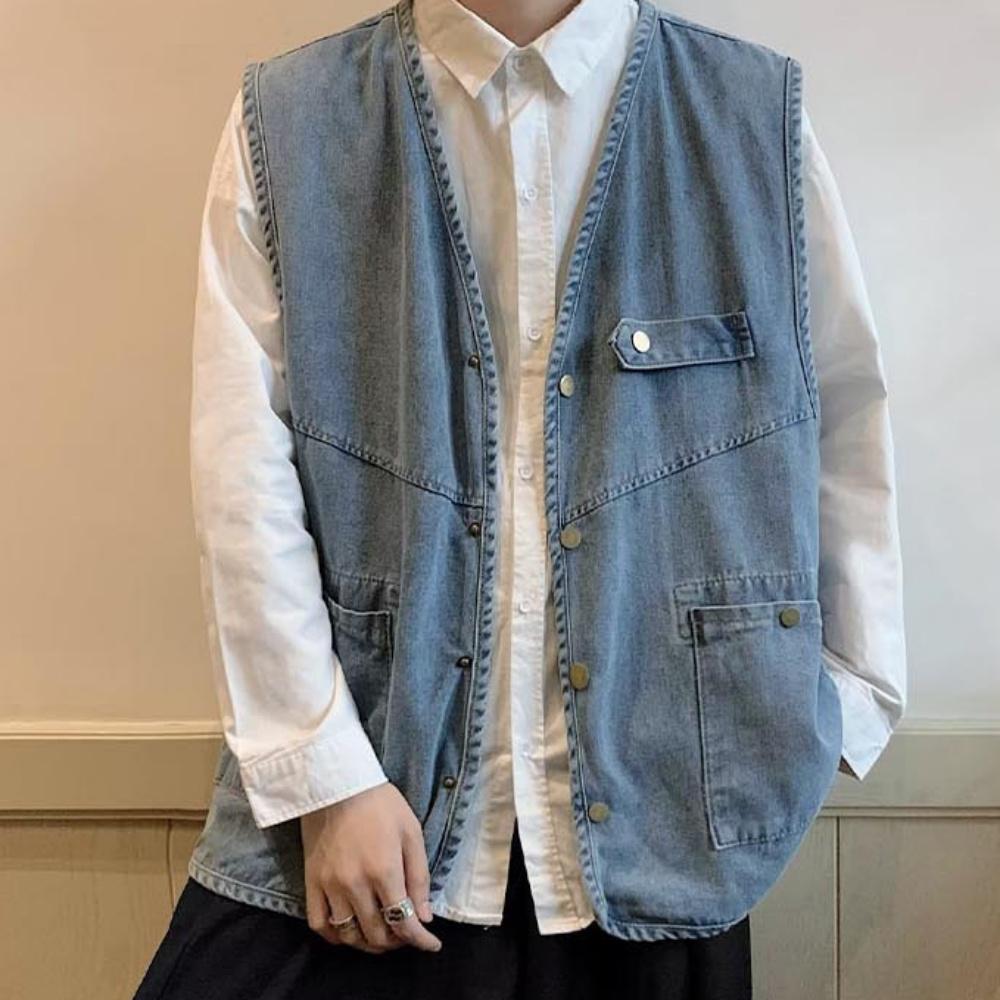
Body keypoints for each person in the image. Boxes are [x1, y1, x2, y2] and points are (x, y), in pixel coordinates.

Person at [133, 0, 907, 996]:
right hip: (371, 821)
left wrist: (833, 707)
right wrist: (323, 776)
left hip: (668, 830)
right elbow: (241, 470)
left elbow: (841, 412)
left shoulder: (751, 112)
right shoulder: (292, 119)